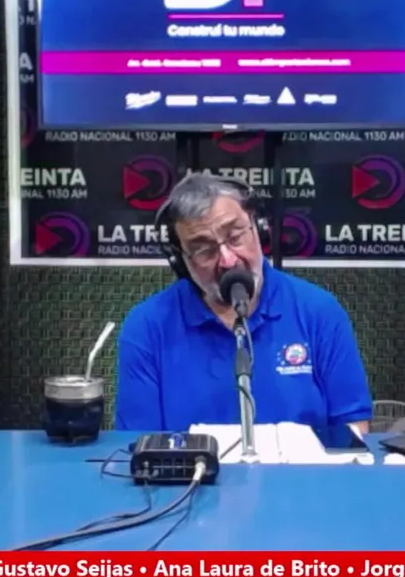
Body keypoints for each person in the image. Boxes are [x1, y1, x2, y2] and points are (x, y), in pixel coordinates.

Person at [114, 172, 373, 445]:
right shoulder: (147, 327)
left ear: (258, 229)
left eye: (235, 237)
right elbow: (139, 443)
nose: (228, 261)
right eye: (204, 250)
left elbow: (353, 427)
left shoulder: (319, 311)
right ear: (181, 261)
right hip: (192, 474)